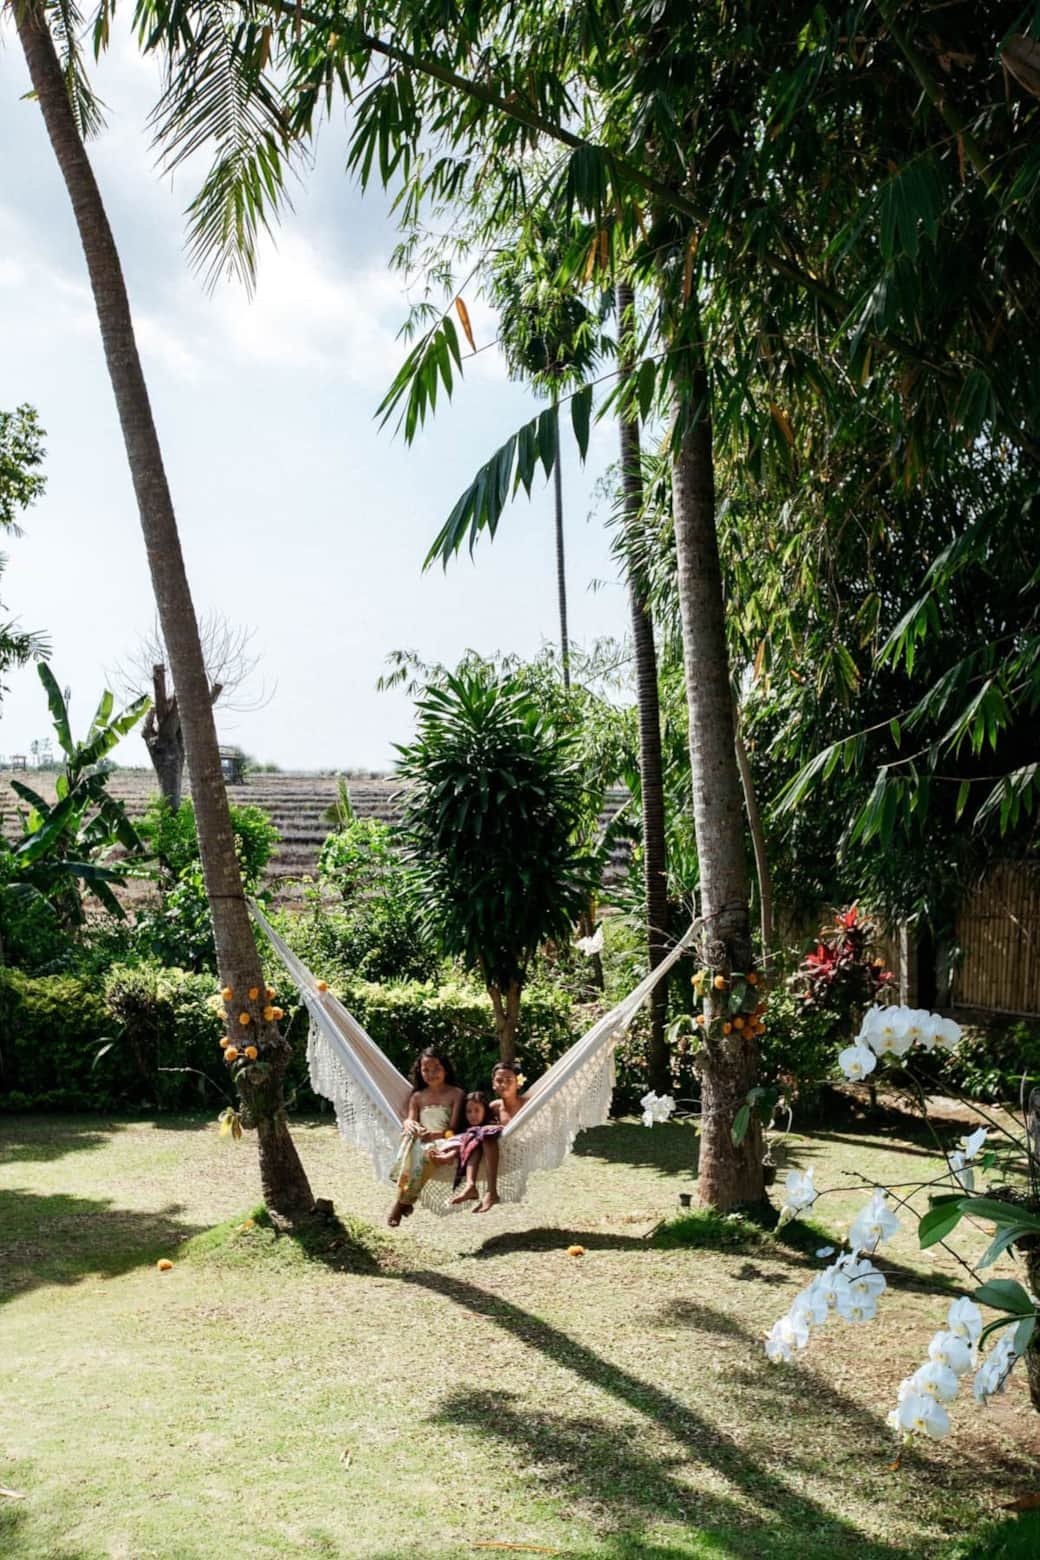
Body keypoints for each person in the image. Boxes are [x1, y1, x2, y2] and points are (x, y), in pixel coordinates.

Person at [387, 1048, 464, 1226]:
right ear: (419, 1071)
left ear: (445, 1069)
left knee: (425, 1157)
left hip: (444, 1141)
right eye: (425, 1069)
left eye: (436, 1068)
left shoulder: (456, 1094)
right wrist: (409, 1125)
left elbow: (453, 1129)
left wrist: (435, 1135)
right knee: (412, 1150)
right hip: (420, 1140)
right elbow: (410, 1121)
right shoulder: (417, 1096)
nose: (431, 1073)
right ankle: (404, 1201)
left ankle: (400, 1205)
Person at [425, 1091, 502, 1208]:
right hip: (471, 1147)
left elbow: (501, 1126)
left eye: (477, 1110)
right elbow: (452, 1136)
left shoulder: (490, 1125)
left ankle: (450, 1157)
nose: (473, 1115)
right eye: (469, 1111)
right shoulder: (465, 1129)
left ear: (485, 1111)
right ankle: (469, 1185)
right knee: (466, 1138)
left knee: (471, 1138)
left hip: (483, 1145)